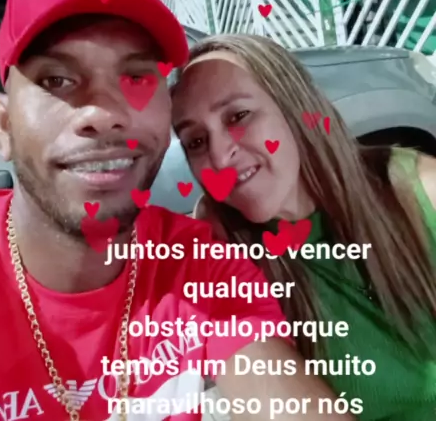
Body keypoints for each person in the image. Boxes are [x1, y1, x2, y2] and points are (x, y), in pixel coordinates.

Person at [0, 0, 355, 421]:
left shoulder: (198, 266)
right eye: (57, 80)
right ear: (3, 126)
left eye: (137, 78)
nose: (104, 113)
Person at [171, 33, 436, 421]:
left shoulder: (418, 191)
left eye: (238, 116)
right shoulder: (224, 246)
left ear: (295, 108)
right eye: (196, 141)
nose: (219, 155)